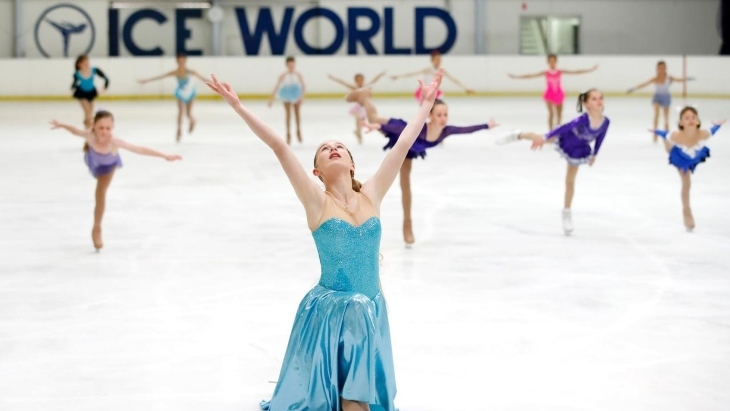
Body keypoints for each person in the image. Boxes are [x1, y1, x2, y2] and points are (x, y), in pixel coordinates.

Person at [206, 70, 444, 411]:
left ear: (351, 163)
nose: (333, 149)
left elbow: (404, 143)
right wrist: (238, 105)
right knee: (350, 402)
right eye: (324, 149)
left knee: (362, 398)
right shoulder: (317, 201)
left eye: (340, 147)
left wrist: (427, 104)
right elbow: (279, 146)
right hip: (333, 312)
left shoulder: (372, 194)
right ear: (316, 171)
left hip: (371, 308)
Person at [348, 91, 498, 246]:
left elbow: (465, 129)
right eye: (439, 115)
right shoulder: (421, 129)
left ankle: (407, 224)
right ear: (430, 116)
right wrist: (378, 126)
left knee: (405, 184)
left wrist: (486, 125)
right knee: (373, 118)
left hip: (411, 150)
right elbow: (397, 130)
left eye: (445, 115)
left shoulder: (445, 131)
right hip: (401, 133)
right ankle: (364, 98)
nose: (443, 118)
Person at [50, 111, 182, 250]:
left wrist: (165, 155)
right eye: (101, 128)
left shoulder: (114, 141)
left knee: (100, 194)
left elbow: (139, 149)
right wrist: (61, 125)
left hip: (108, 167)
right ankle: (97, 227)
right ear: (94, 126)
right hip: (93, 160)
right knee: (99, 193)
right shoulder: (90, 135)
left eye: (108, 128)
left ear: (113, 128)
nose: (104, 132)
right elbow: (75, 131)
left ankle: (97, 228)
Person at [496, 89, 610, 235]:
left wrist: (595, 154)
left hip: (579, 149)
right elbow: (564, 127)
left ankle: (566, 213)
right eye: (594, 99)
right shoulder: (583, 119)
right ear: (586, 104)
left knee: (570, 182)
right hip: (566, 138)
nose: (599, 101)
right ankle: (517, 135)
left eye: (600, 98)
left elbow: (601, 138)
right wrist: (545, 137)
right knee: (538, 137)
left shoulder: (606, 122)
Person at [650, 107, 724, 231]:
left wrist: (718, 124)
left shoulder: (703, 133)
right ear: (681, 123)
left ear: (697, 121)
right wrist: (656, 131)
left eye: (693, 117)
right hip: (679, 155)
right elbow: (665, 134)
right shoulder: (676, 135)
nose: (690, 120)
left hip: (694, 153)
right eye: (687, 118)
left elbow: (713, 130)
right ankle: (687, 211)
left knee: (687, 179)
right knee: (686, 182)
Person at [508, 54, 598, 129]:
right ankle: (550, 131)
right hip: (549, 94)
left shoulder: (559, 71)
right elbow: (530, 75)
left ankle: (557, 129)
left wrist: (589, 70)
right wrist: (516, 76)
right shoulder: (546, 72)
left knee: (559, 113)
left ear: (556, 61)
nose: (552, 63)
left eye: (553, 61)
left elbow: (575, 72)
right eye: (550, 61)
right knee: (551, 113)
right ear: (548, 62)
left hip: (559, 93)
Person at [138, 53, 210, 142]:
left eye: (183, 61)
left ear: (185, 61)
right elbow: (161, 77)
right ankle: (179, 130)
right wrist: (147, 80)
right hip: (180, 94)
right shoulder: (175, 72)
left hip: (190, 93)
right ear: (177, 62)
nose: (181, 63)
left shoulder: (191, 72)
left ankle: (193, 121)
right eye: (180, 62)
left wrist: (218, 85)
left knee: (188, 114)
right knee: (180, 112)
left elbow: (203, 79)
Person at [627, 60, 693, 142]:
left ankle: (667, 135)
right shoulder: (655, 78)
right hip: (657, 97)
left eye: (664, 68)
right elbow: (644, 84)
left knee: (666, 118)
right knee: (656, 115)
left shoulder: (669, 78)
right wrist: (634, 88)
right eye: (660, 68)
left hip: (666, 97)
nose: (662, 69)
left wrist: (686, 79)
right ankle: (655, 134)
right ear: (657, 69)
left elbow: (678, 80)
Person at [390, 50, 475, 102]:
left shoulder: (441, 70)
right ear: (432, 60)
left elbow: (453, 79)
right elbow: (412, 74)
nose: (438, 61)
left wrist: (465, 88)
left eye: (439, 59)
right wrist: (398, 77)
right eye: (436, 59)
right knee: (423, 109)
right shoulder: (428, 69)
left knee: (435, 107)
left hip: (434, 91)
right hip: (424, 90)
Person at [327, 71, 387, 143]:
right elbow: (343, 82)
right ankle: (359, 136)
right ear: (355, 81)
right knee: (358, 120)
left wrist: (380, 75)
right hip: (356, 107)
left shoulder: (366, 86)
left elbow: (374, 80)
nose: (359, 81)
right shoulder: (353, 87)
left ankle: (357, 133)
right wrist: (333, 78)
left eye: (361, 80)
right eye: (358, 80)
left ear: (363, 80)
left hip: (363, 108)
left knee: (360, 121)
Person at [268, 56, 306, 144]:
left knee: (297, 114)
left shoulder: (298, 75)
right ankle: (288, 134)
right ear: (286, 65)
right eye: (289, 65)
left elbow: (303, 86)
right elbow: (276, 86)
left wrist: (301, 97)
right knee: (288, 114)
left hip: (296, 94)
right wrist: (271, 99)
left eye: (292, 65)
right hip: (286, 94)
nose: (291, 66)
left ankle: (298, 131)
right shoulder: (283, 75)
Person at [72, 55, 109, 130]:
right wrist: (72, 89)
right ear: (79, 64)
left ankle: (87, 131)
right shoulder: (77, 74)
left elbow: (106, 79)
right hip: (81, 94)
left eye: (87, 61)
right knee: (89, 113)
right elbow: (74, 84)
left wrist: (103, 89)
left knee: (89, 114)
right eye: (84, 62)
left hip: (91, 93)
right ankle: (89, 132)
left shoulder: (94, 70)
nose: (86, 63)